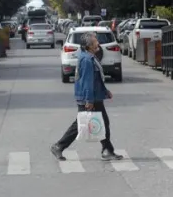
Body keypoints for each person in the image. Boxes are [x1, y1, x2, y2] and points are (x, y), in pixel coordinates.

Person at [50, 32, 123, 162]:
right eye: (95, 42)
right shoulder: (87, 59)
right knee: (80, 124)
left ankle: (107, 150)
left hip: (93, 96)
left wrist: (105, 91)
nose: (98, 44)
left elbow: (96, 79)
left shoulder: (88, 56)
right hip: (88, 97)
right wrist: (89, 100)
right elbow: (87, 81)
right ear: (89, 45)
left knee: (100, 122)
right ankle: (59, 146)